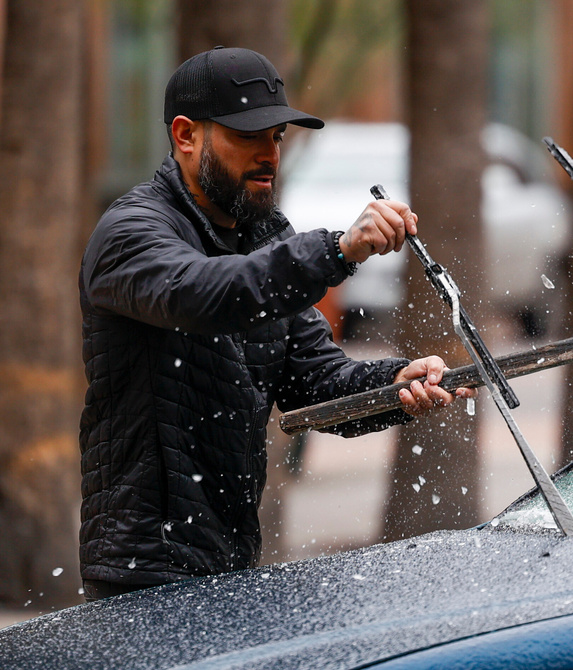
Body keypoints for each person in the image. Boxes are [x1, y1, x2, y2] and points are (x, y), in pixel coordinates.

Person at [78, 46, 472, 601]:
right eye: (247, 136)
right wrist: (337, 251)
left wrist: (394, 384)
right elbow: (207, 293)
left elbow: (317, 382)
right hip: (141, 572)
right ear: (186, 136)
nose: (268, 154)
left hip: (232, 561)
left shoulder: (267, 236)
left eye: (277, 137)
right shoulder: (130, 234)